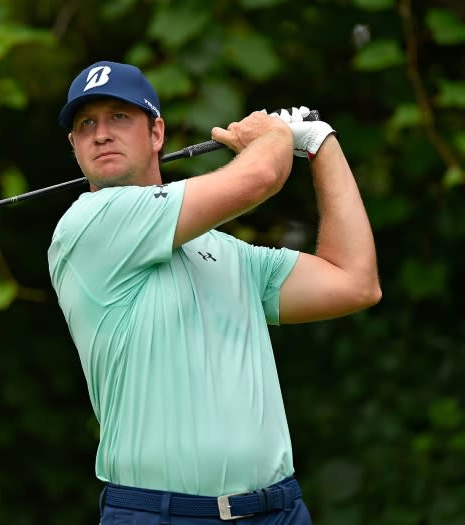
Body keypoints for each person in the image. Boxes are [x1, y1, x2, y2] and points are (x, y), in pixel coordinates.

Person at [48, 61, 381, 524]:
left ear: (157, 133)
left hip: (278, 510)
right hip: (163, 515)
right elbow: (259, 178)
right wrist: (273, 135)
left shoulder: (230, 253)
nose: (101, 133)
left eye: (119, 117)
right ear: (74, 146)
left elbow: (355, 282)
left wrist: (321, 143)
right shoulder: (89, 224)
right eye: (86, 124)